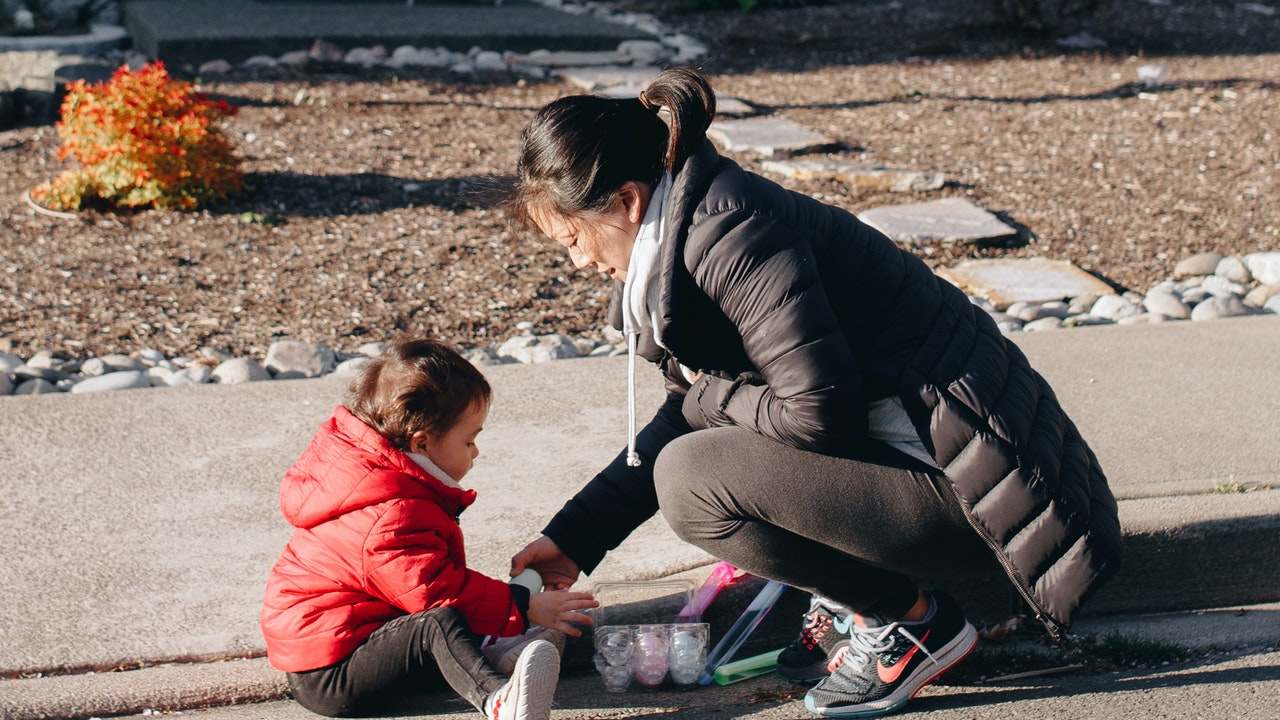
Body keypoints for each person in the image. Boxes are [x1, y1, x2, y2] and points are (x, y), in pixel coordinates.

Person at [504, 68, 1122, 717]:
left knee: (691, 480)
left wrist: (712, 399)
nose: (576, 262)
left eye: (572, 239)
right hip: (952, 470)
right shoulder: (683, 234)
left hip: (997, 502)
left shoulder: (733, 236)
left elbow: (815, 413)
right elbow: (687, 408)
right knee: (701, 446)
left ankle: (909, 624)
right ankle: (866, 597)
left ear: (628, 202)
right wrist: (575, 538)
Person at [259, 337, 596, 720]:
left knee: (458, 615)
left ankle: (505, 649)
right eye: (469, 440)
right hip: (329, 670)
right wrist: (523, 606)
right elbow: (434, 594)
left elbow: (435, 580)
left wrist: (514, 608)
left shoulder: (392, 483)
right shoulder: (388, 509)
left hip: (366, 638)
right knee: (438, 623)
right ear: (422, 444)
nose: (476, 452)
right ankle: (499, 700)